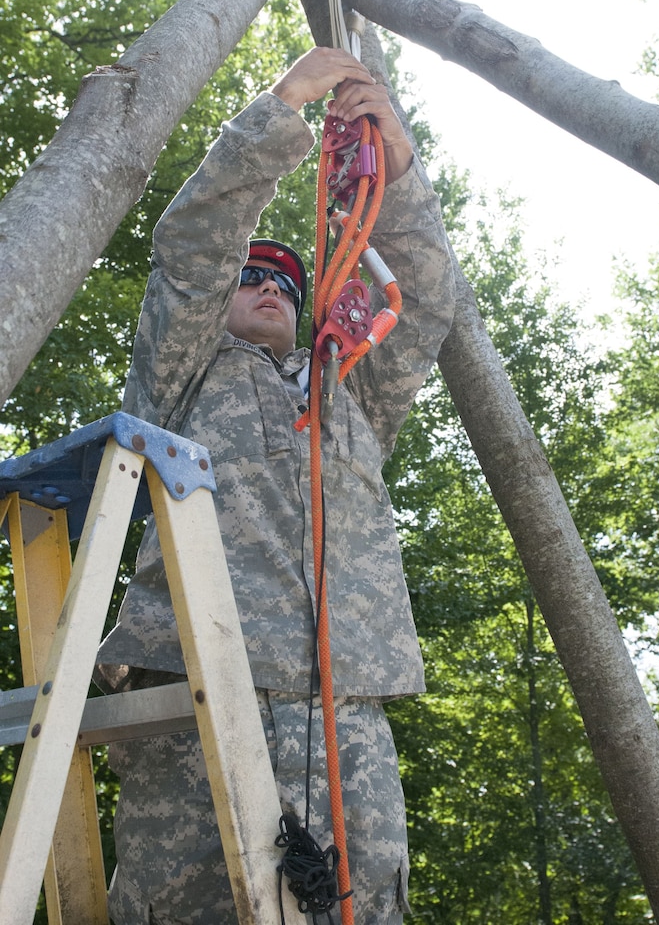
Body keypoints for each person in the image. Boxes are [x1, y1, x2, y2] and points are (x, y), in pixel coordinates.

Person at [95, 46, 456, 924]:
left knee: (364, 910)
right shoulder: (183, 374)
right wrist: (280, 109)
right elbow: (189, 252)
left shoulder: (351, 395)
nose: (267, 288)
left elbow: (429, 303)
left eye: (284, 285)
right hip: (196, 698)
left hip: (349, 712)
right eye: (249, 278)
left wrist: (396, 180)